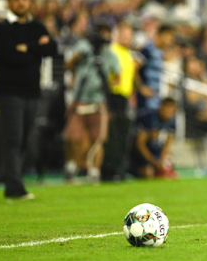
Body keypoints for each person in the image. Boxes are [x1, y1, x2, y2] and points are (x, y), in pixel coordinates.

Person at [0, 0, 58, 199]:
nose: (21, 2)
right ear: (9, 2)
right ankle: (14, 187)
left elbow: (52, 49)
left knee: (25, 141)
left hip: (32, 92)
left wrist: (26, 48)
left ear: (29, 2)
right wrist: (35, 48)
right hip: (10, 92)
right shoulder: (2, 29)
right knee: (13, 139)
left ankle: (12, 181)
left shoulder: (37, 26)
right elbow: (10, 56)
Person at [63, 23, 120, 183]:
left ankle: (94, 171)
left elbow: (117, 77)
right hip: (79, 99)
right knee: (72, 136)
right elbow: (68, 66)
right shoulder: (83, 47)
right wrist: (76, 60)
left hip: (98, 101)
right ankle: (72, 165)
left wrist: (106, 86)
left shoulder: (109, 54)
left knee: (98, 139)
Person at [101, 20, 139, 181]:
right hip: (112, 97)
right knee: (113, 136)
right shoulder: (111, 51)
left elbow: (128, 79)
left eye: (129, 35)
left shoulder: (128, 54)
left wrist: (132, 95)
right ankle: (108, 171)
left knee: (123, 135)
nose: (127, 38)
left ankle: (119, 169)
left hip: (124, 98)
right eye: (124, 35)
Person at [130, 97, 177, 179]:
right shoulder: (149, 118)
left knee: (173, 175)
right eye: (167, 109)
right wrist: (154, 162)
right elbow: (139, 144)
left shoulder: (172, 121)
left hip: (154, 152)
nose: (169, 113)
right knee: (148, 173)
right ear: (161, 107)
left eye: (171, 111)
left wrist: (162, 161)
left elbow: (168, 143)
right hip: (137, 154)